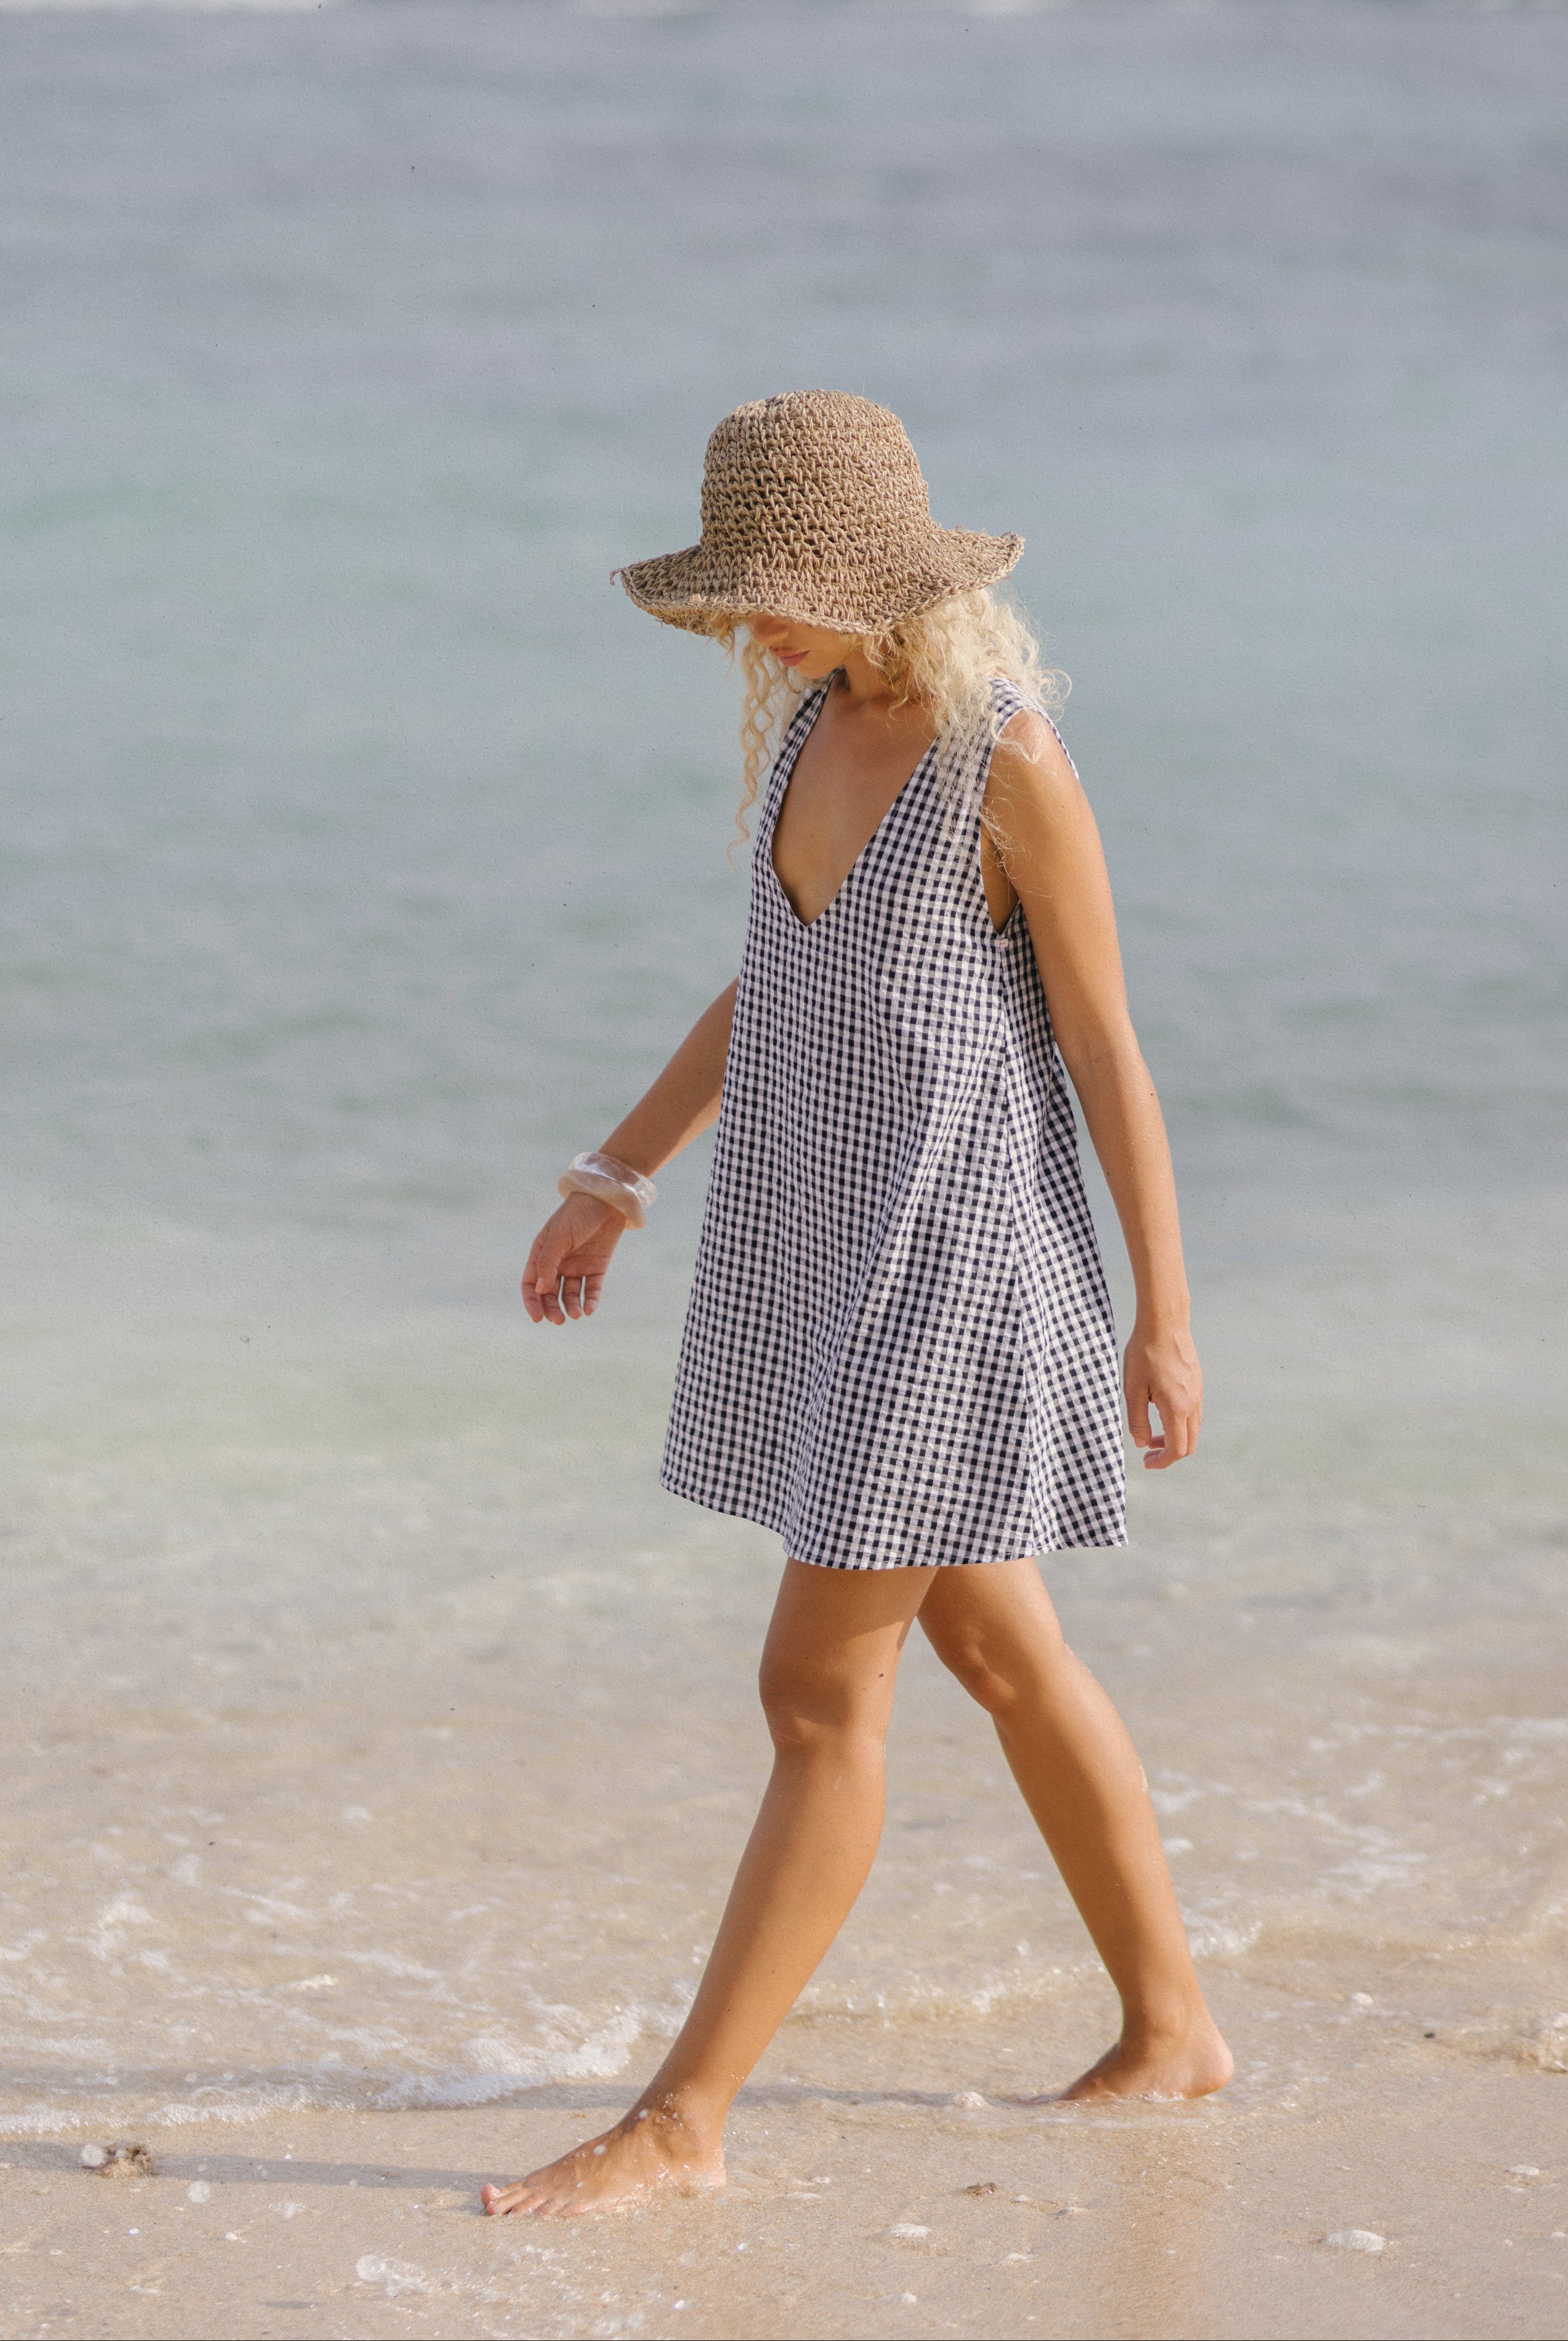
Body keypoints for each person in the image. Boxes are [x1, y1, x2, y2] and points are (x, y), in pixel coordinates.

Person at [483, 390, 1231, 2219]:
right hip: (827, 1248)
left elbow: (1107, 1045)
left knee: (815, 1684)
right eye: (735, 599)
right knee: (996, 1647)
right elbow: (774, 984)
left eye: (774, 592)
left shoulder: (1005, 760)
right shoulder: (819, 720)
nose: (751, 629)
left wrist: (1165, 1313)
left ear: (869, 574)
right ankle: (1175, 2030)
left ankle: (683, 2119)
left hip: (961, 1262)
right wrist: (613, 1175)